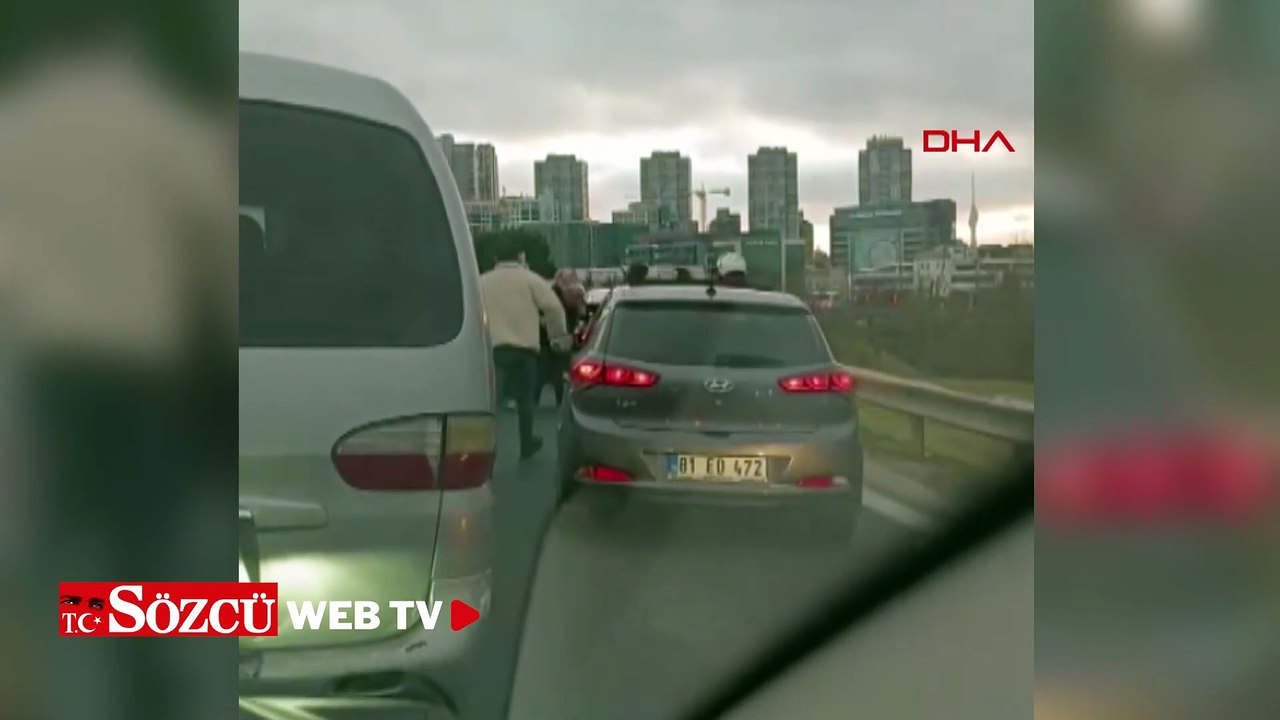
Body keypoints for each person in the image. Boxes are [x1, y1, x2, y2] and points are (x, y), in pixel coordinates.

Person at [479, 238, 569, 460]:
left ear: (495, 259)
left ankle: (486, 448)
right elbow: (554, 308)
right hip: (525, 350)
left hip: (494, 349)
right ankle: (526, 443)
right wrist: (557, 337)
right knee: (525, 401)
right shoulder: (531, 280)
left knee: (491, 404)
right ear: (521, 257)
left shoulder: (481, 282)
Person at [540, 271, 585, 405]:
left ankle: (540, 397)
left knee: (549, 367)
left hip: (551, 336)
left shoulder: (551, 293)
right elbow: (580, 313)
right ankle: (559, 398)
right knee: (557, 368)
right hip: (561, 336)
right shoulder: (572, 293)